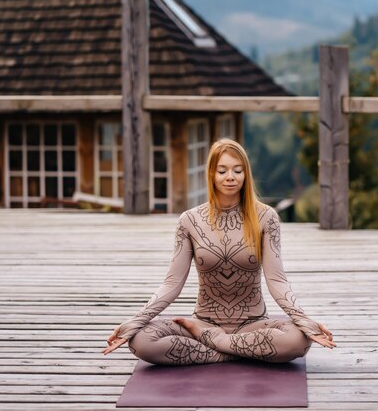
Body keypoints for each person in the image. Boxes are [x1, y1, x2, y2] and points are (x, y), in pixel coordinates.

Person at [102, 138, 335, 365]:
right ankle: (239, 351)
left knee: (298, 341)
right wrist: (134, 321)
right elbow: (172, 282)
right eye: (222, 171)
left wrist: (303, 320)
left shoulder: (266, 217)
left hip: (253, 324)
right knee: (141, 341)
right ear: (212, 174)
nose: (230, 177)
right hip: (203, 322)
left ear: (246, 174)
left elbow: (276, 279)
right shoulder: (190, 220)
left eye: (237, 170)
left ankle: (217, 343)